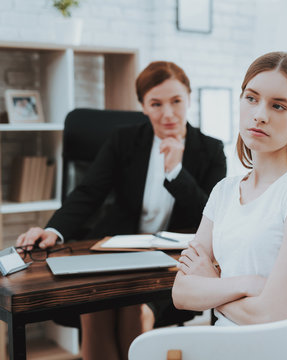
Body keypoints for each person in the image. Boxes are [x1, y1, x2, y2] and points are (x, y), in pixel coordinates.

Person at [15, 61, 227, 360]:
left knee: (134, 312)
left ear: (189, 98)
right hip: (117, 251)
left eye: (176, 101)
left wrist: (176, 172)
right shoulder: (124, 140)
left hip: (174, 265)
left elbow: (210, 216)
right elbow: (89, 192)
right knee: (95, 308)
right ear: (142, 106)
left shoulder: (211, 150)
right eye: (156, 103)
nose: (168, 113)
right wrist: (52, 230)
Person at [172, 51, 287, 325]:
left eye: (278, 106)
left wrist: (214, 284)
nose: (259, 115)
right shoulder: (224, 192)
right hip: (224, 344)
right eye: (251, 98)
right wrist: (249, 284)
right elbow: (181, 293)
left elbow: (271, 316)